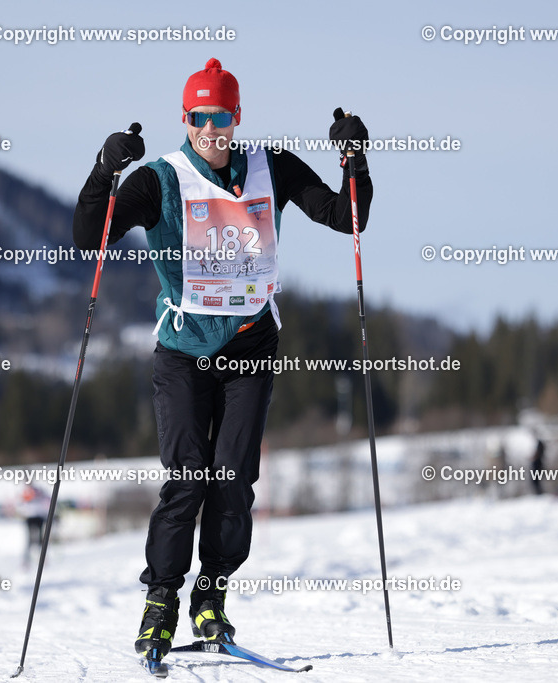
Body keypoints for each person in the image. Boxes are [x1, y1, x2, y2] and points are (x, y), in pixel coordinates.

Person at [73, 58, 372, 661]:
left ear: (238, 117)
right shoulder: (160, 178)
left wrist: (355, 162)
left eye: (223, 116)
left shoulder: (271, 166)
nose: (212, 128)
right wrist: (105, 170)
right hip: (184, 349)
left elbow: (347, 217)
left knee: (232, 477)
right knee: (187, 477)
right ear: (186, 119)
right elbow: (90, 235)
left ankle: (211, 597)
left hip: (251, 343)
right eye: (200, 117)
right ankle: (161, 601)